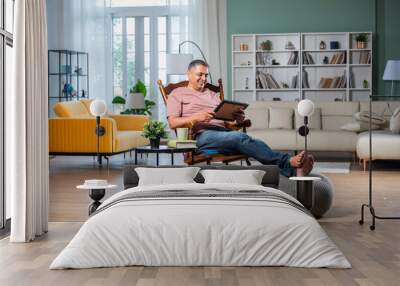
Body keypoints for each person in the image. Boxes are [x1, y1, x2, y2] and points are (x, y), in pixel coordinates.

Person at [166, 59, 313, 177]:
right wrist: (197, 117)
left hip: (223, 134)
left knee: (253, 141)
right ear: (188, 74)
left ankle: (294, 172)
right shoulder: (177, 94)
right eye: (200, 74)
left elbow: (222, 116)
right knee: (240, 137)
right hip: (200, 136)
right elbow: (172, 123)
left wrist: (236, 118)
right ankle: (287, 161)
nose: (203, 79)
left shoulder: (211, 94)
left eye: (205, 75)